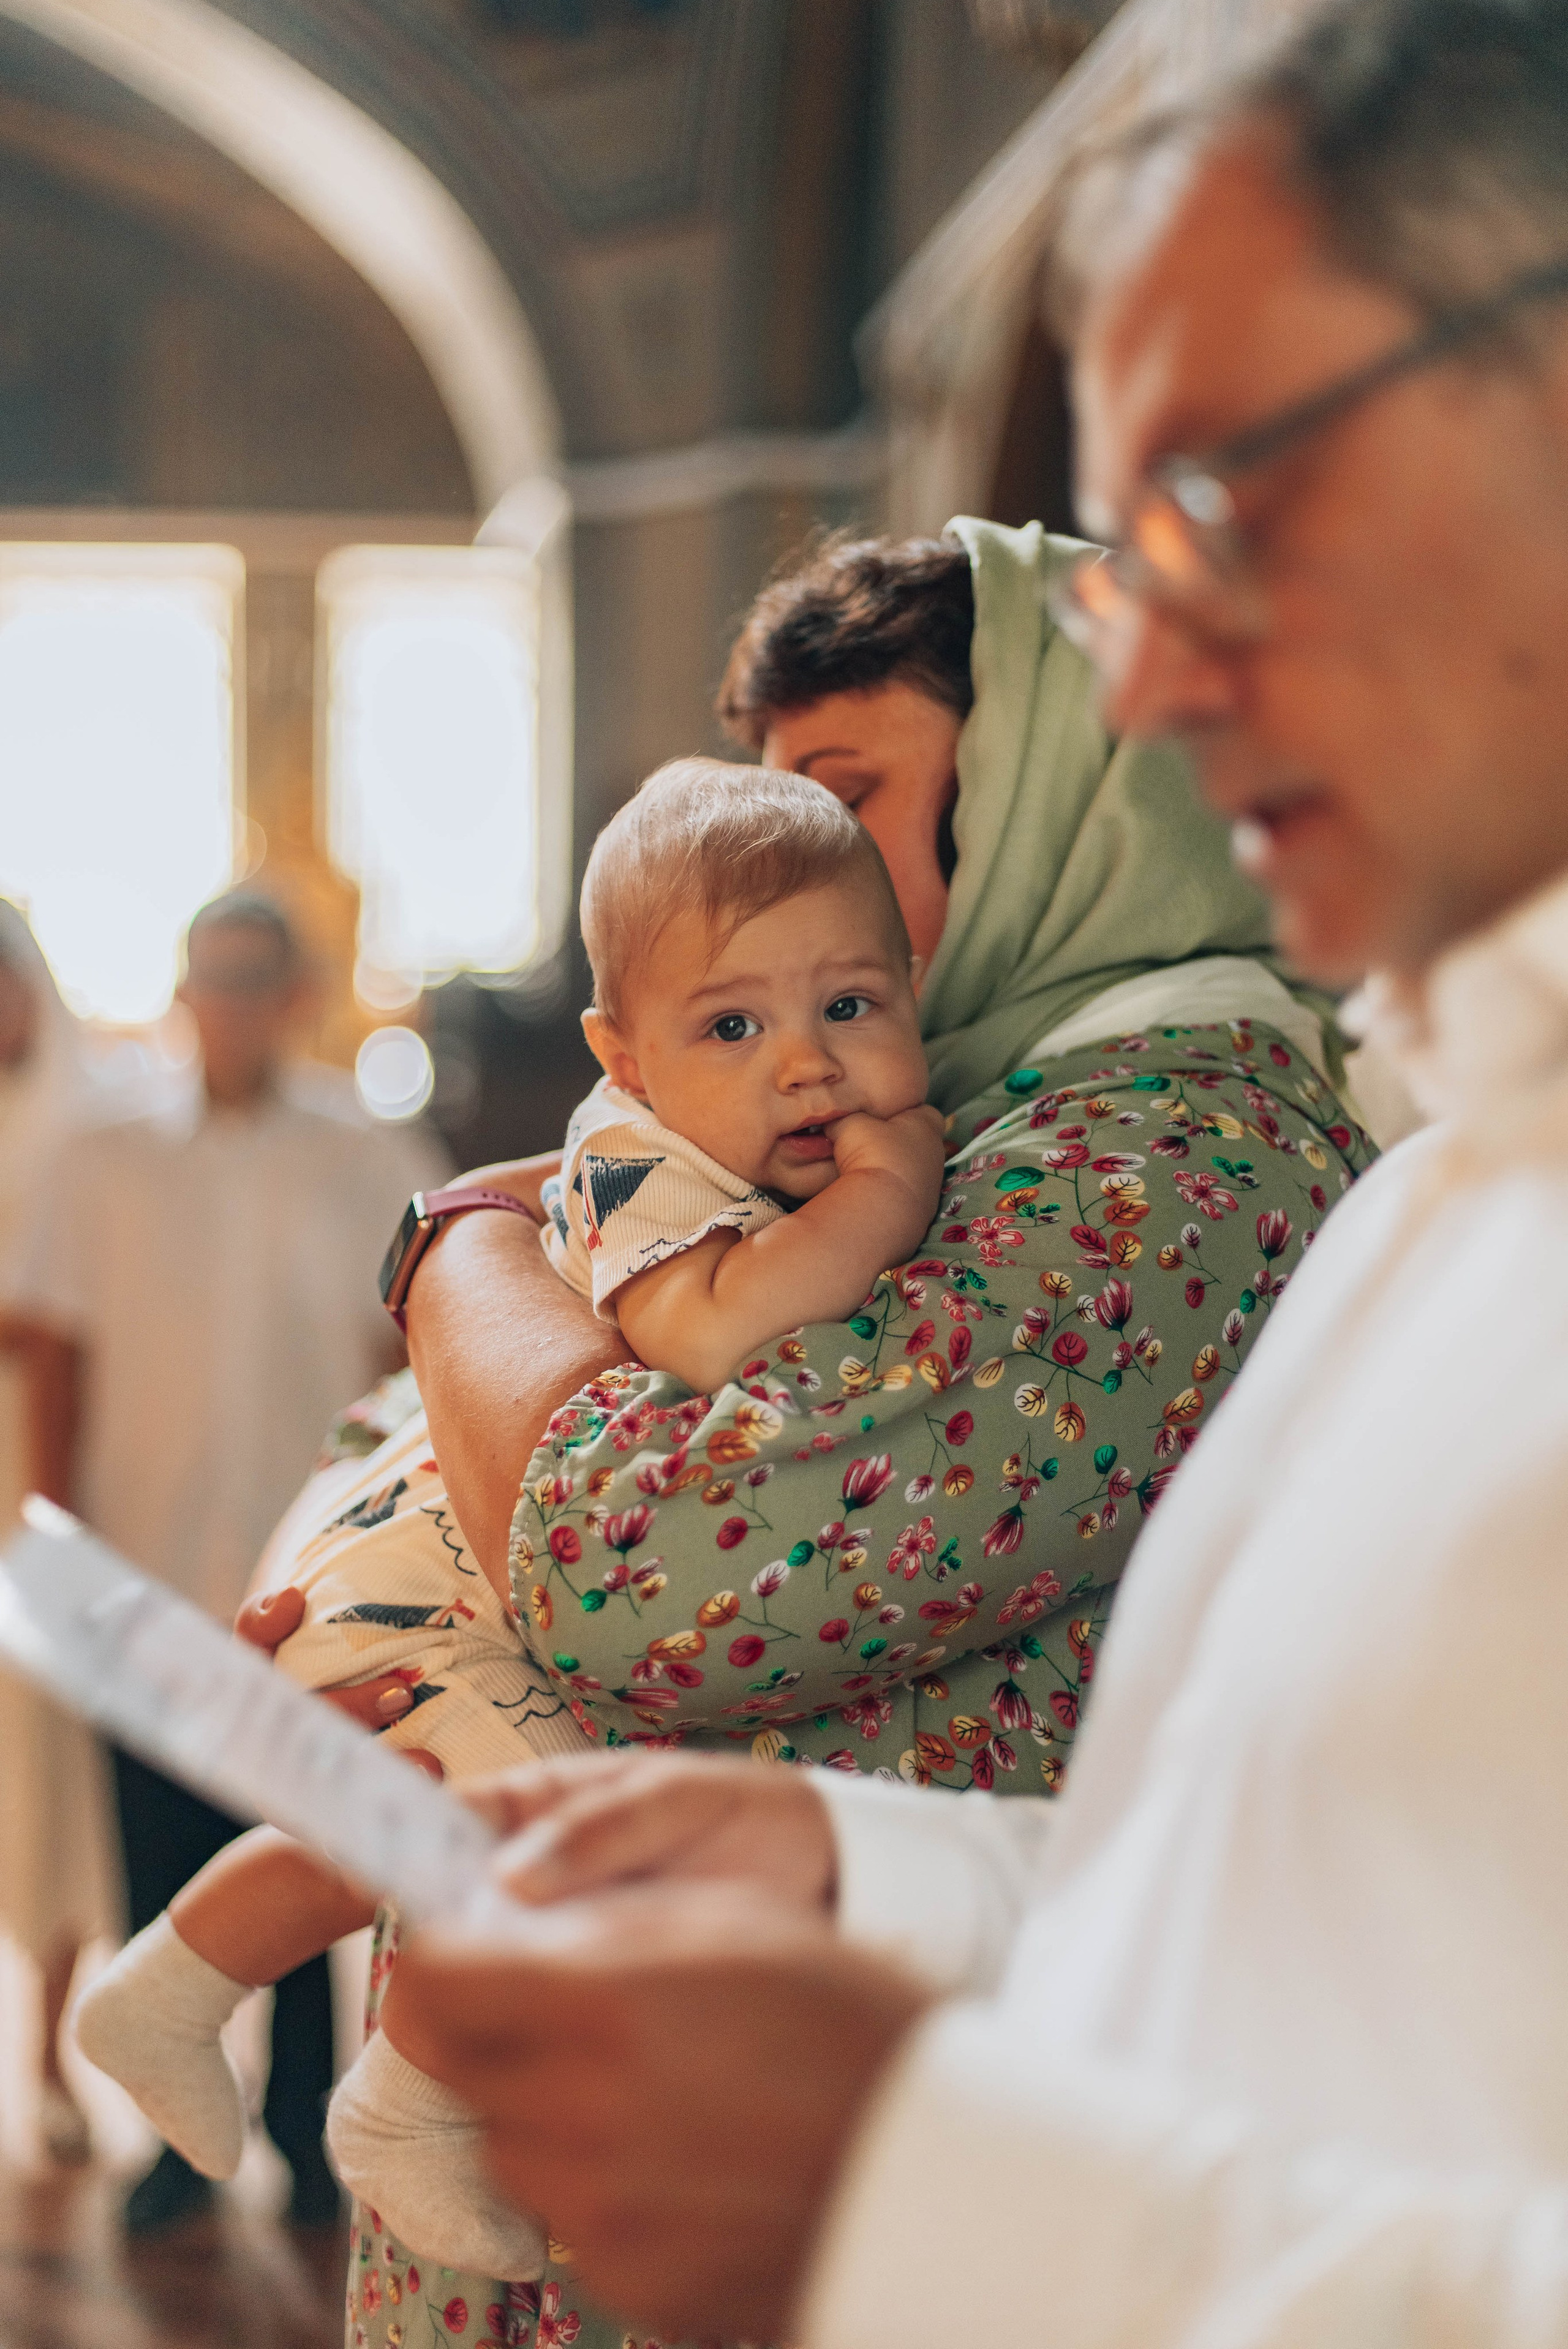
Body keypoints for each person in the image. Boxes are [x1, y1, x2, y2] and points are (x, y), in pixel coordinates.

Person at [376, 0, 1568, 2344]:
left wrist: (933, 2196)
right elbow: (1305, 1922)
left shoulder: (1194, 1148)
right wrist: (863, 1871)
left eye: (1231, 500)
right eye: (1127, 571)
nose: (1156, 689)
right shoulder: (1438, 1193)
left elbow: (653, 1559)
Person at [246, 518, 1376, 2342]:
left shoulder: (1181, 1151)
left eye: (846, 810)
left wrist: (461, 1241)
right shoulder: (923, 1112)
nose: (791, 893)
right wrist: (368, 1607)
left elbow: (640, 1571)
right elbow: (416, 1450)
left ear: (1056, 795)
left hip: (833, 2168)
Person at [72, 760, 940, 2279]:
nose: (807, 1065)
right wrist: (886, 1197)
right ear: (625, 1056)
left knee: (417, 1821)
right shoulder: (634, 1161)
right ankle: (404, 2104)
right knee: (533, 1819)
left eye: (850, 1007)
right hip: (420, 1561)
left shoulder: (705, 1146)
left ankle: (169, 1993)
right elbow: (713, 1332)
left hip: (436, 1550)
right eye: (733, 1027)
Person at [5, 889, 449, 2234]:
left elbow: (413, 1355)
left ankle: (308, 2134)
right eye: (215, 975)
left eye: (260, 976)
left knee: (306, 1846)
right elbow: (58, 1356)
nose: (235, 1001)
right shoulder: (102, 1158)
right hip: (141, 1552)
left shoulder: (369, 1154)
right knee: (156, 1852)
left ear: (296, 994)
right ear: (185, 991)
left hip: (307, 1565)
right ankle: (169, 2151)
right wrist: (52, 1543)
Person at [0, 903, 121, 2168]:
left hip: (25, 1455)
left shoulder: (82, 1127)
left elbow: (65, 1325)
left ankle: (46, 2056)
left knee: (46, 1766)